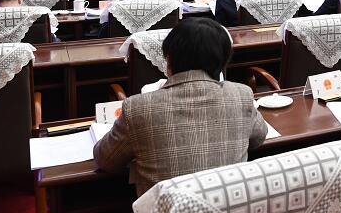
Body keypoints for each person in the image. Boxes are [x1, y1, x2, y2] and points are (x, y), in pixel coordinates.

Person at [93, 17, 267, 196]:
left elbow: (106, 160)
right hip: (227, 206)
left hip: (166, 209)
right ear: (222, 62)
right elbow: (259, 137)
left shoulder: (138, 107)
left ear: (169, 60)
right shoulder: (241, 94)